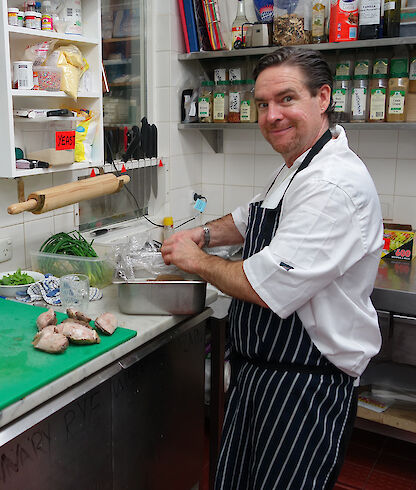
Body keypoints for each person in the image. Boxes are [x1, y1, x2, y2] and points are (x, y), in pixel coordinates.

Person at [161, 47, 382, 490]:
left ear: (323, 97)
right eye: (262, 104)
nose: (272, 115)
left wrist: (196, 261)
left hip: (305, 385)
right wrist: (202, 236)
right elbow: (251, 216)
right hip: (261, 375)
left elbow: (265, 286)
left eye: (286, 99)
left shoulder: (331, 185)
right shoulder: (303, 163)